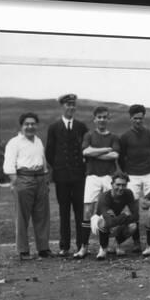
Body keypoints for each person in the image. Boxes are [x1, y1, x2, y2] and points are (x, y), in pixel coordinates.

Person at [3, 112, 52, 260]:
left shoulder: (38, 141)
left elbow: (42, 161)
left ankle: (43, 249)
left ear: (36, 125)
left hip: (40, 179)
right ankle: (23, 251)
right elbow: (9, 165)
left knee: (42, 215)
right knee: (22, 217)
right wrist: (15, 182)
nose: (30, 127)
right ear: (21, 126)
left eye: (33, 124)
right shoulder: (14, 143)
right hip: (24, 179)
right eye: (27, 124)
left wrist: (45, 179)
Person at [45, 93, 88, 257]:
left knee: (79, 211)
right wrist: (59, 166)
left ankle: (80, 245)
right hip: (61, 177)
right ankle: (64, 246)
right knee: (64, 211)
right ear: (62, 106)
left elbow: (85, 148)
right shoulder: (54, 128)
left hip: (79, 176)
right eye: (68, 105)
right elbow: (49, 152)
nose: (71, 108)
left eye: (73, 105)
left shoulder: (81, 127)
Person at [75, 106, 120, 259]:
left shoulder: (114, 137)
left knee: (109, 211)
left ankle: (105, 247)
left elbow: (114, 155)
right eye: (99, 117)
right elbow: (85, 152)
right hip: (92, 176)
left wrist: (95, 153)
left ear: (108, 119)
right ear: (94, 119)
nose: (102, 120)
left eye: (104, 117)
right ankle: (84, 247)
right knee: (87, 211)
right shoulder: (89, 135)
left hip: (109, 176)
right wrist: (105, 149)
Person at [119, 104, 150, 252]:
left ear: (144, 118)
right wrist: (127, 172)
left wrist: (149, 167)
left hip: (148, 174)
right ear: (130, 119)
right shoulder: (125, 137)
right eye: (135, 118)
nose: (138, 121)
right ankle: (136, 242)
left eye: (140, 118)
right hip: (132, 176)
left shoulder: (149, 134)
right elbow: (122, 158)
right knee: (133, 209)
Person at [91, 172, 139, 260]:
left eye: (123, 185)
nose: (121, 188)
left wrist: (119, 219)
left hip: (115, 220)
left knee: (133, 226)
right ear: (112, 184)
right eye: (118, 184)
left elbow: (136, 216)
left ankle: (117, 243)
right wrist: (124, 215)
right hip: (99, 221)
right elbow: (109, 222)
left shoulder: (128, 193)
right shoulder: (104, 197)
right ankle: (103, 248)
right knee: (104, 222)